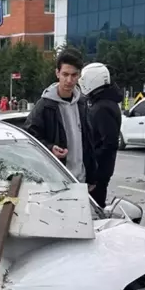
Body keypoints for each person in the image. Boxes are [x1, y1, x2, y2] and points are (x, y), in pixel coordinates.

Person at [25, 48, 97, 188]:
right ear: (57, 73)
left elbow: (88, 142)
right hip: (56, 180)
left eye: (74, 75)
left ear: (79, 75)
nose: (69, 80)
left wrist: (92, 177)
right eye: (65, 74)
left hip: (81, 180)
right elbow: (30, 137)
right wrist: (50, 148)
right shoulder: (45, 105)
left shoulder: (82, 103)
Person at [79, 62, 123, 208]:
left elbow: (109, 142)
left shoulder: (103, 107)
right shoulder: (103, 103)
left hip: (98, 171)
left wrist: (92, 160)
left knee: (94, 208)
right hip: (99, 169)